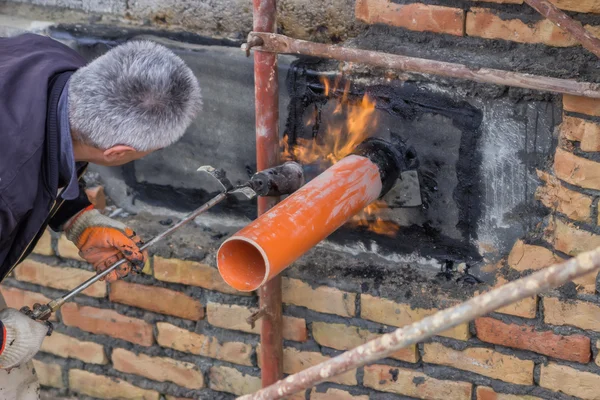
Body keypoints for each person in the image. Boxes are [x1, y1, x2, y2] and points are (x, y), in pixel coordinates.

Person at [0, 33, 202, 398]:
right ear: (117, 152)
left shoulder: (54, 65)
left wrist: (78, 218)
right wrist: (3, 340)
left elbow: (51, 152)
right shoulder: (6, 183)